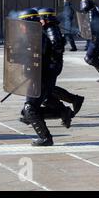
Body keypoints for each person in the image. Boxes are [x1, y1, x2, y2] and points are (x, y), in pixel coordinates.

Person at [18, 8, 72, 146]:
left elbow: (36, 57)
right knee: (27, 112)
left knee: (30, 109)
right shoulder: (35, 36)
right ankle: (63, 111)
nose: (21, 27)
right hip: (39, 77)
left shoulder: (38, 37)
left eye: (23, 24)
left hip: (41, 78)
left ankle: (45, 138)